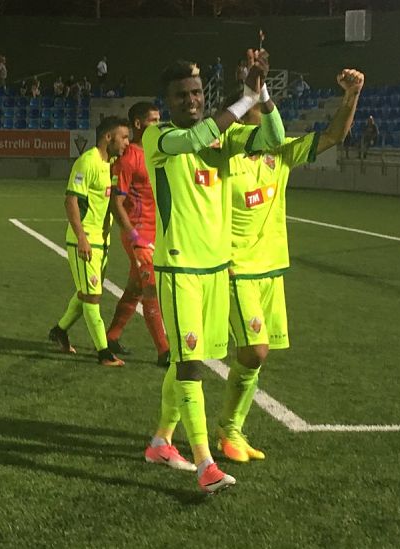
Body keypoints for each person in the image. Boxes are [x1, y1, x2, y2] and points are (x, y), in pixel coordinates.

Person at [141, 54, 284, 493]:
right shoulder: (158, 137)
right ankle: (205, 464)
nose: (192, 100)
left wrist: (263, 97)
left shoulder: (225, 140)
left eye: (197, 93)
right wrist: (242, 100)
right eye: (182, 95)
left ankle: (161, 442)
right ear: (167, 103)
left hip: (218, 269)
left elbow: (274, 137)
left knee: (193, 358)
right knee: (189, 365)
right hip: (180, 268)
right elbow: (200, 134)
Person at [216, 68, 364, 464]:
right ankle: (224, 428)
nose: (264, 115)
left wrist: (351, 95)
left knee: (258, 356)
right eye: (256, 108)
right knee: (255, 351)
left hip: (271, 269)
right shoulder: (225, 153)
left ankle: (233, 430)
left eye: (265, 107)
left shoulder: (279, 153)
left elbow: (333, 136)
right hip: (235, 269)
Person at [49, 116, 131, 368]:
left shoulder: (110, 165)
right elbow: (71, 200)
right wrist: (82, 237)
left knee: (86, 293)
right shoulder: (88, 161)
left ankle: (59, 331)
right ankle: (103, 352)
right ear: (109, 137)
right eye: (124, 137)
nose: (127, 142)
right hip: (84, 242)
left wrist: (128, 231)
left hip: (101, 242)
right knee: (92, 297)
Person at [105, 101, 170, 367]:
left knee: (134, 289)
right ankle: (164, 351)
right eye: (153, 120)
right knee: (151, 288)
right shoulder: (129, 157)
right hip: (137, 234)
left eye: (159, 119)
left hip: (156, 233)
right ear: (138, 124)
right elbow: (115, 203)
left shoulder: (158, 152)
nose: (158, 124)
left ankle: (111, 336)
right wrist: (133, 237)